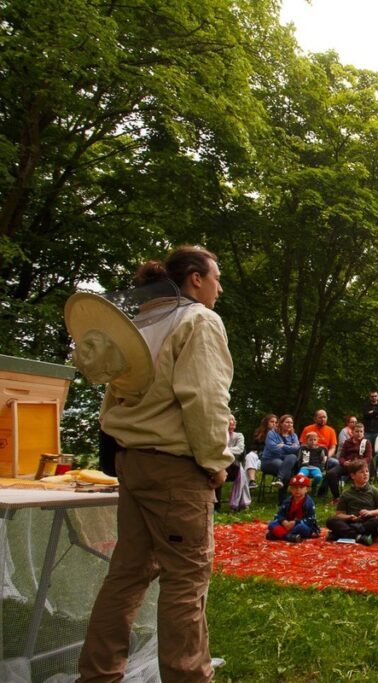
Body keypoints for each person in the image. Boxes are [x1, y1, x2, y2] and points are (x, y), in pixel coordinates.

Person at [78, 245, 233, 681]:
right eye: (216, 278)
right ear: (196, 279)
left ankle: (97, 676)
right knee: (186, 582)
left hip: (133, 463)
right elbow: (204, 400)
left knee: (126, 575)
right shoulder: (198, 320)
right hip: (174, 469)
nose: (220, 288)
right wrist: (216, 463)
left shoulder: (137, 323)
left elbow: (111, 402)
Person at [325, 460, 378, 545]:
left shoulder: (374, 490)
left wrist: (370, 512)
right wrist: (349, 517)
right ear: (353, 476)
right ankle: (358, 537)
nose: (365, 474)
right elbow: (339, 514)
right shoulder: (346, 493)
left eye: (367, 471)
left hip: (367, 522)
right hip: (352, 522)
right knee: (331, 521)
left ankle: (340, 535)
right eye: (361, 472)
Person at [324, 422, 373, 500]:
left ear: (363, 432)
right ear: (352, 432)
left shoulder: (366, 442)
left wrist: (358, 463)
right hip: (348, 465)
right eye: (357, 431)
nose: (359, 433)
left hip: (360, 466)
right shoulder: (347, 442)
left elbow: (368, 457)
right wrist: (344, 462)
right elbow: (341, 456)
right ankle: (337, 497)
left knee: (361, 474)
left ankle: (362, 496)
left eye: (361, 431)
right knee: (331, 473)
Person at [266, 474, 320, 543]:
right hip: (287, 524)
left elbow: (311, 519)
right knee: (272, 524)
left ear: (306, 489)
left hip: (302, 525)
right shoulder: (288, 501)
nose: (297, 490)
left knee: (301, 528)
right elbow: (278, 515)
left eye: (301, 487)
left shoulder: (309, 503)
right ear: (291, 489)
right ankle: (288, 537)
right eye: (294, 487)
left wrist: (295, 522)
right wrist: (283, 521)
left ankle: (279, 534)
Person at [214, 414, 246, 512]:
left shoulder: (239, 435)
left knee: (220, 469)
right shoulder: (219, 435)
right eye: (229, 424)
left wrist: (224, 449)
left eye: (233, 424)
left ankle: (219, 506)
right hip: (221, 465)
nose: (231, 426)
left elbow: (239, 449)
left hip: (233, 468)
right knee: (218, 471)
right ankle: (216, 506)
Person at [301, 409, 339, 476]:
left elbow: (333, 448)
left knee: (336, 463)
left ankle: (328, 483)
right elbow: (303, 445)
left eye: (324, 417)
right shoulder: (307, 429)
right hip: (309, 456)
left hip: (324, 457)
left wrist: (326, 456)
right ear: (315, 419)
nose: (323, 419)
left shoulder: (331, 430)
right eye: (320, 417)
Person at [246, 414, 277, 488]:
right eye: (272, 421)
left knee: (247, 465)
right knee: (249, 456)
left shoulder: (278, 434)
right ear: (266, 423)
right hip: (259, 458)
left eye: (276, 422)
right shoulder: (259, 432)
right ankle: (252, 481)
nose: (274, 424)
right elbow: (253, 446)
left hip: (270, 459)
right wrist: (255, 450)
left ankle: (244, 491)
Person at [362, 390, 378, 469]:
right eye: (372, 396)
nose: (374, 398)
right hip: (367, 432)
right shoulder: (366, 406)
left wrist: (372, 413)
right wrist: (376, 413)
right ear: (370, 397)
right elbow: (365, 415)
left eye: (375, 396)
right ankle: (368, 468)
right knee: (367, 450)